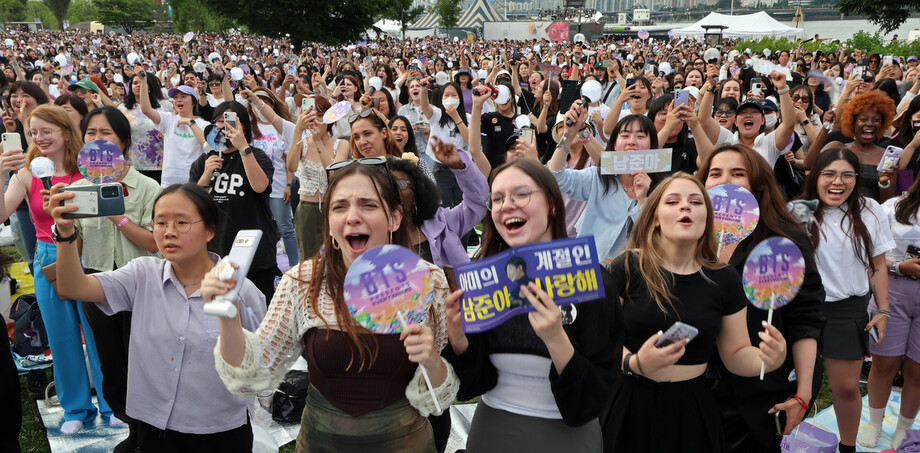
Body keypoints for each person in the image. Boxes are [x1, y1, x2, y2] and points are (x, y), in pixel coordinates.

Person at [212, 160, 457, 452]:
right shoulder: (302, 283)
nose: (352, 216)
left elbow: (438, 399)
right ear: (329, 223)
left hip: (405, 443)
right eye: (339, 207)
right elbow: (251, 377)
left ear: (394, 218)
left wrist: (430, 360)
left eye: (368, 205)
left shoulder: (429, 282)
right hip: (321, 443)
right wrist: (226, 313)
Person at [49, 183, 265, 451]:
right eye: (160, 223)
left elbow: (261, 364)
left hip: (218, 430)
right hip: (154, 427)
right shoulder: (142, 274)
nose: (169, 232)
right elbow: (72, 287)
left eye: (182, 222)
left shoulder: (241, 291)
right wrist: (65, 233)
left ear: (210, 230)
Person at [444, 158, 623, 452]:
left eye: (521, 194)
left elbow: (593, 397)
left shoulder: (592, 279)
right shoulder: (485, 277)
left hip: (567, 436)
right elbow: (471, 385)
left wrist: (556, 339)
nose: (507, 205)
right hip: (492, 431)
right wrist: (460, 340)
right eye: (498, 198)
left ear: (552, 204)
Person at [604, 172, 788, 452]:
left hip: (692, 409)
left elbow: (737, 354)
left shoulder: (724, 280)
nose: (685, 207)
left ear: (707, 218)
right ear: (655, 217)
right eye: (673, 201)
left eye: (695, 201)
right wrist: (635, 362)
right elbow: (601, 343)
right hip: (629, 401)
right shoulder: (627, 266)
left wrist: (768, 359)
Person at [699, 144, 826, 452]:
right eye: (715, 173)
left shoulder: (783, 240)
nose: (725, 180)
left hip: (762, 391)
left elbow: (806, 319)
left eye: (737, 173)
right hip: (696, 387)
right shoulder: (690, 237)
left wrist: (803, 393)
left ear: (756, 184)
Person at [0, 104, 111, 434]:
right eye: (34, 132)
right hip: (48, 258)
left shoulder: (90, 169)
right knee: (61, 338)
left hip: (90, 255)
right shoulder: (27, 174)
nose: (39, 138)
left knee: (98, 333)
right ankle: (77, 408)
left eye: (46, 130)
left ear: (65, 131)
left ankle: (111, 403)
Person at [74, 106, 161, 451]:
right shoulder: (79, 188)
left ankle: (150, 432)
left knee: (144, 361)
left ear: (124, 142)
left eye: (106, 133)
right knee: (112, 362)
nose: (97, 140)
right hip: (97, 284)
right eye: (91, 133)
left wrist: (117, 216)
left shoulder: (146, 187)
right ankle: (131, 429)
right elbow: (78, 246)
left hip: (139, 284)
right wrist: (62, 225)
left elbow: (155, 242)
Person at [801, 149, 895, 453]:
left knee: (845, 387)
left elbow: (878, 264)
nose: (837, 182)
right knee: (798, 388)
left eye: (847, 175)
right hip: (803, 312)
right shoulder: (798, 210)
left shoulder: (870, 210)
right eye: (829, 174)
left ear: (857, 178)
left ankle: (848, 447)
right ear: (815, 176)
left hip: (847, 311)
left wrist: (883, 309)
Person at [189, 101, 280, 302]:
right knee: (222, 313)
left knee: (262, 311)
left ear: (243, 127)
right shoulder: (204, 162)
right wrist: (205, 177)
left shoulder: (257, 156)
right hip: (217, 253)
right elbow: (192, 205)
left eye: (230, 121)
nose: (223, 126)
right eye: (218, 121)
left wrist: (243, 149)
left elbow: (260, 187)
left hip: (256, 254)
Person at [857, 174, 920, 450]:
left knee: (917, 370)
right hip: (892, 292)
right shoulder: (892, 208)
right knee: (884, 363)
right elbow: (872, 255)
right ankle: (874, 422)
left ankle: (904, 429)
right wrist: (899, 267)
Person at [549, 108, 654, 262]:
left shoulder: (662, 188)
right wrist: (568, 135)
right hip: (589, 272)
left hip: (635, 277)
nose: (632, 141)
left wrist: (643, 200)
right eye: (625, 135)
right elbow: (556, 179)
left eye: (640, 136)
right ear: (615, 145)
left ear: (652, 145)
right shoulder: (596, 178)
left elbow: (657, 239)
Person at [388, 137, 488, 267]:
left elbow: (480, 201)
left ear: (416, 197)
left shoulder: (442, 223)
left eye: (400, 184)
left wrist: (460, 166)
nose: (392, 190)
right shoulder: (375, 237)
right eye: (388, 184)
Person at [140, 69, 211, 187]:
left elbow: (207, 145)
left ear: (194, 102)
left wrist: (191, 122)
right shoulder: (168, 119)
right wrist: (143, 81)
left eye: (183, 96)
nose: (178, 100)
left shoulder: (204, 125)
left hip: (193, 180)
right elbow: (146, 110)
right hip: (169, 181)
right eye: (176, 97)